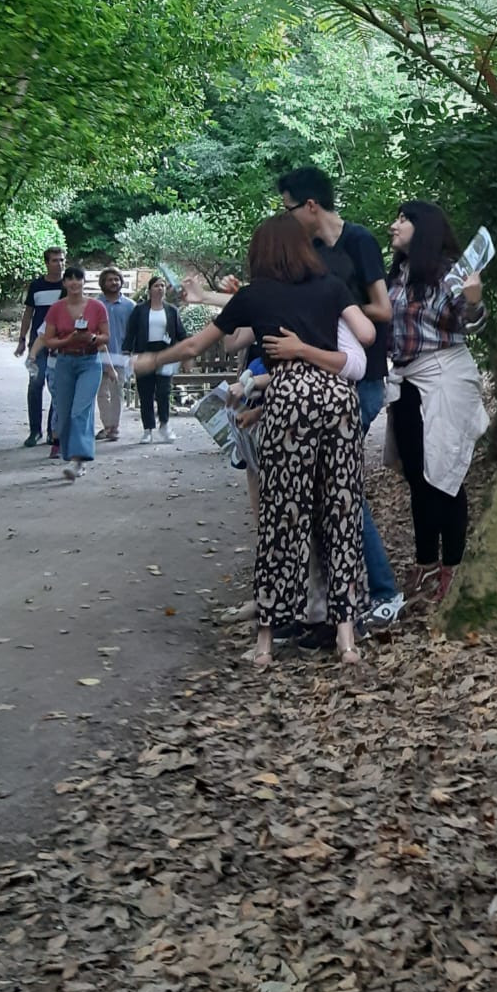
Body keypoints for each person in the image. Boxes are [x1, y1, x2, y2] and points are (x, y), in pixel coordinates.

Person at [136, 212, 374, 668]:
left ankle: (265, 644)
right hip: (338, 399)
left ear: (262, 253)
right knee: (340, 513)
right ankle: (346, 640)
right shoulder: (331, 286)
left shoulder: (254, 296)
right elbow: (364, 333)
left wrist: (150, 361)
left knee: (282, 516)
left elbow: (193, 348)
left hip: (287, 400)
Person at [277, 166, 406, 633]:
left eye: (289, 207)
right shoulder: (307, 250)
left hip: (363, 381)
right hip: (323, 383)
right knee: (323, 489)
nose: (285, 217)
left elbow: (383, 309)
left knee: (339, 489)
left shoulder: (359, 242)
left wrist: (338, 304)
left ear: (311, 205)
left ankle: (383, 593)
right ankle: (334, 599)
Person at [384, 200, 488, 605]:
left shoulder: (449, 273)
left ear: (423, 228)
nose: (394, 226)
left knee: (445, 473)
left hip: (445, 376)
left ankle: (452, 567)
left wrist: (475, 299)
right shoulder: (398, 273)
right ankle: (425, 562)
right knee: (417, 475)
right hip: (407, 380)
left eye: (403, 220)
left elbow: (474, 323)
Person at [34, 266, 109, 480]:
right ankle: (70, 453)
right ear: (65, 284)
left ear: (84, 282)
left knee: (80, 410)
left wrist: (92, 339)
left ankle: (78, 459)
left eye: (79, 279)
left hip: (89, 361)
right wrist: (69, 340)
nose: (75, 283)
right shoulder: (56, 309)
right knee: (64, 412)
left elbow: (106, 337)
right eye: (70, 279)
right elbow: (48, 339)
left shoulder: (97, 307)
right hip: (64, 361)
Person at [127, 275, 187, 443]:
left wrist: (185, 352)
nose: (159, 288)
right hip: (144, 353)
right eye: (156, 286)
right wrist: (128, 352)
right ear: (150, 289)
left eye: (162, 286)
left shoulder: (171, 310)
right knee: (145, 392)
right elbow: (131, 332)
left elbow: (181, 333)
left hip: (166, 353)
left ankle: (165, 424)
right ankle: (147, 429)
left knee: (163, 391)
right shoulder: (140, 310)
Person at [15, 245, 65, 448]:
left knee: (58, 387)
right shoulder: (36, 286)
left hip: (61, 344)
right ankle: (35, 431)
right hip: (38, 342)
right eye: (55, 260)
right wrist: (21, 339)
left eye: (62, 260)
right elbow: (28, 313)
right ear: (46, 263)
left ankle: (54, 431)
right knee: (36, 384)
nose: (59, 264)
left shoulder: (67, 285)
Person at [94, 267, 136, 442]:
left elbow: (135, 331)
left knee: (117, 392)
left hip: (120, 354)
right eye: (110, 280)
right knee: (101, 393)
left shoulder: (130, 306)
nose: (114, 283)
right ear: (103, 283)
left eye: (116, 279)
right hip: (98, 354)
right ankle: (107, 425)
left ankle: (115, 427)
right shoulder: (96, 304)